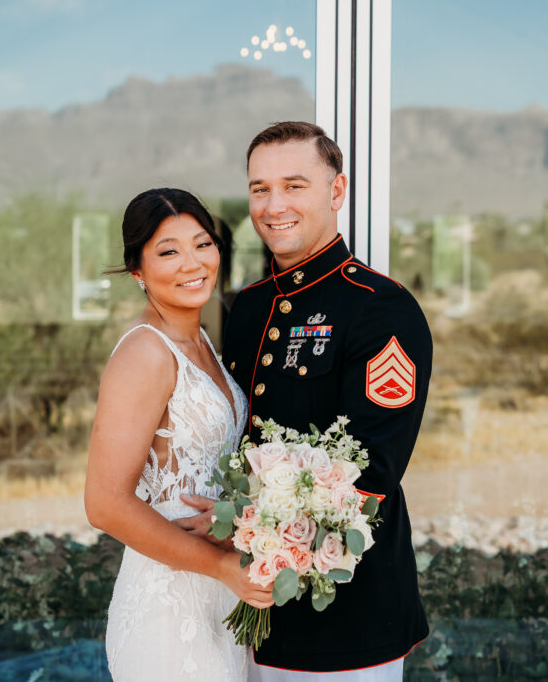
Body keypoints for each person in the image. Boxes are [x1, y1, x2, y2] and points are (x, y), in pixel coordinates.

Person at [180, 121, 432, 679]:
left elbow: (370, 472)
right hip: (241, 609)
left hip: (346, 619)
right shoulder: (246, 307)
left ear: (336, 192)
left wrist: (237, 522)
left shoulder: (380, 308)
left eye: (294, 185)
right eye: (260, 188)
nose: (274, 205)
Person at [85, 188, 273, 681]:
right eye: (168, 251)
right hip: (168, 603)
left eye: (202, 244)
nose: (192, 262)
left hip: (217, 595)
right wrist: (220, 568)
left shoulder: (201, 340)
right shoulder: (145, 353)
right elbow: (104, 504)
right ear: (138, 272)